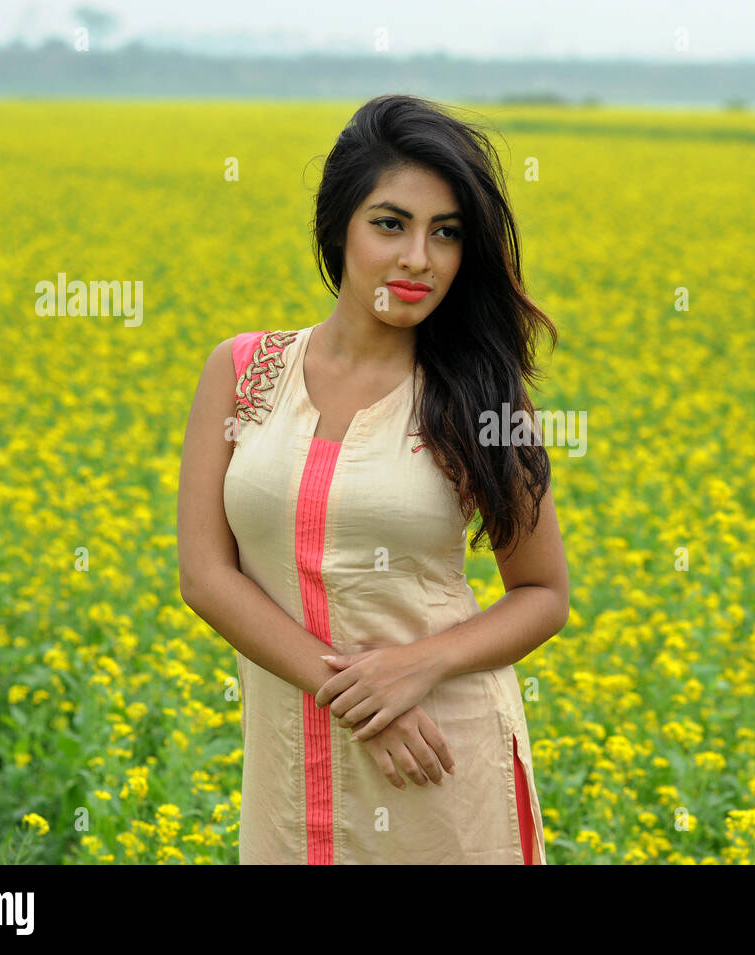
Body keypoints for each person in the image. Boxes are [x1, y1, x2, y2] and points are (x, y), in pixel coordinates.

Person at [177, 94, 569, 864]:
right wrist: (360, 698)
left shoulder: (481, 397)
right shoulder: (243, 370)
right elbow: (205, 574)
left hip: (438, 759)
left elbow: (543, 593)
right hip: (293, 762)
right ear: (339, 227)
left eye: (446, 233)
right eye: (390, 224)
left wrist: (418, 665)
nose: (418, 258)